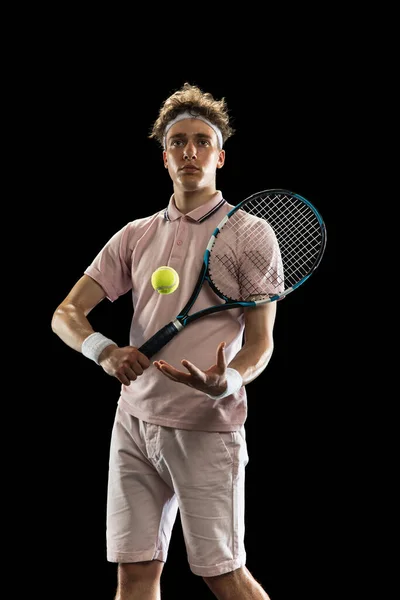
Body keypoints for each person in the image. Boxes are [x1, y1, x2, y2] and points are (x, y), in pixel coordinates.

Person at [51, 82, 279, 600]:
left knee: (221, 573)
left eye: (202, 141)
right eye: (179, 141)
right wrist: (104, 351)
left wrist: (230, 380)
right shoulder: (135, 234)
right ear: (165, 157)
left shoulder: (252, 234)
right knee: (134, 573)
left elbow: (261, 342)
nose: (190, 151)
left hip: (205, 427)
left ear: (220, 156)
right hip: (133, 422)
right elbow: (66, 314)